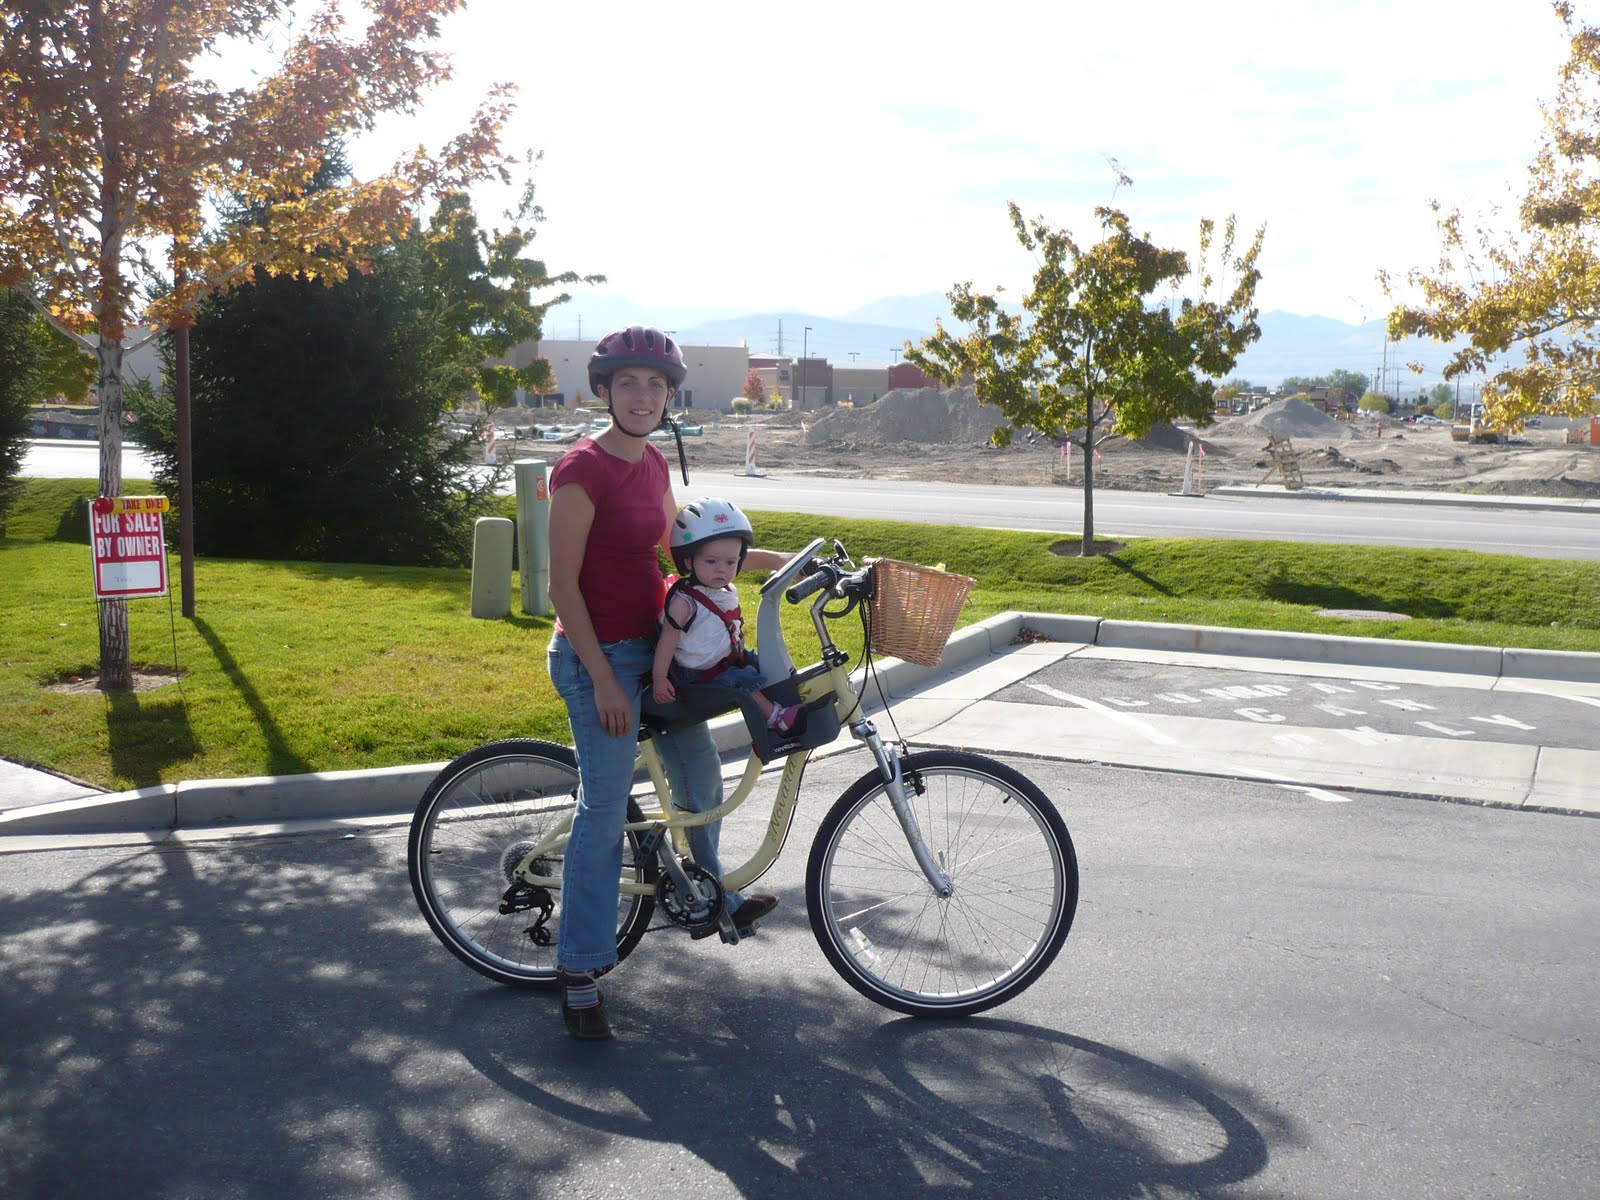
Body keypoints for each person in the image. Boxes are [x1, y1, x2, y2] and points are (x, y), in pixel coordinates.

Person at [546, 325, 786, 1042]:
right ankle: (579, 968)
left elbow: (682, 552)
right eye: (628, 383)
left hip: (657, 652)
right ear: (604, 390)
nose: (643, 395)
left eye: (656, 385)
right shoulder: (581, 470)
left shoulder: (652, 463)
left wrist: (784, 559)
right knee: (603, 810)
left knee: (702, 778)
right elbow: (561, 587)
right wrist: (603, 681)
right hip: (596, 658)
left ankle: (713, 894)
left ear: (669, 395)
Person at [652, 497, 802, 736]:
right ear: (689, 560)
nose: (721, 569)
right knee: (742, 680)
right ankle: (775, 718)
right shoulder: (685, 602)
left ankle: (793, 700)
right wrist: (660, 679)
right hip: (701, 674)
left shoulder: (725, 590)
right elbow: (667, 641)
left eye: (730, 562)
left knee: (769, 663)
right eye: (711, 561)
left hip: (727, 658)